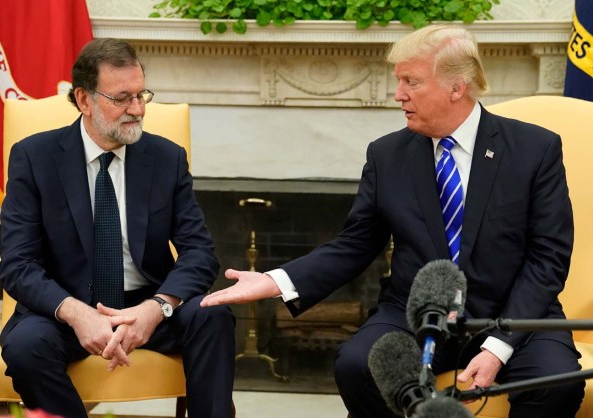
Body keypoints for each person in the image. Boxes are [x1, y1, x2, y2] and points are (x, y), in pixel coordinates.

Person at [201, 24, 585, 418]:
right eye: (397, 80)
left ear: (458, 86)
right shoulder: (388, 155)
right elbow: (354, 245)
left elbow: (547, 257)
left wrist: (498, 346)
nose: (398, 93)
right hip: (413, 312)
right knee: (357, 365)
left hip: (512, 312)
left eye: (411, 81)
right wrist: (275, 280)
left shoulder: (534, 149)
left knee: (556, 385)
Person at [0, 38, 235, 418]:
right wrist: (76, 313)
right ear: (85, 100)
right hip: (65, 306)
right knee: (26, 346)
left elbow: (200, 253)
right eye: (122, 98)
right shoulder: (34, 157)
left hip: (146, 304)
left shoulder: (166, 158)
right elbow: (17, 263)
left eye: (142, 95)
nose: (138, 109)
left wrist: (155, 308)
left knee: (213, 316)